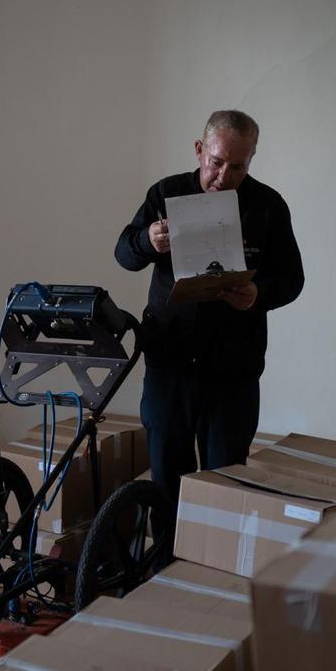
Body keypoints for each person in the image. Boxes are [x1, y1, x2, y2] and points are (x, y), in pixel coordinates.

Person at [115, 109, 304, 507]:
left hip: (233, 372)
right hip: (170, 365)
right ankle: (165, 567)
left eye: (237, 166)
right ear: (200, 150)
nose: (223, 177)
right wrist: (148, 241)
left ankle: (211, 569)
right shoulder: (165, 193)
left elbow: (293, 279)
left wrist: (258, 294)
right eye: (216, 163)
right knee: (166, 484)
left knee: (225, 487)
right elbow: (124, 254)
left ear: (251, 160)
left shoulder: (268, 206)